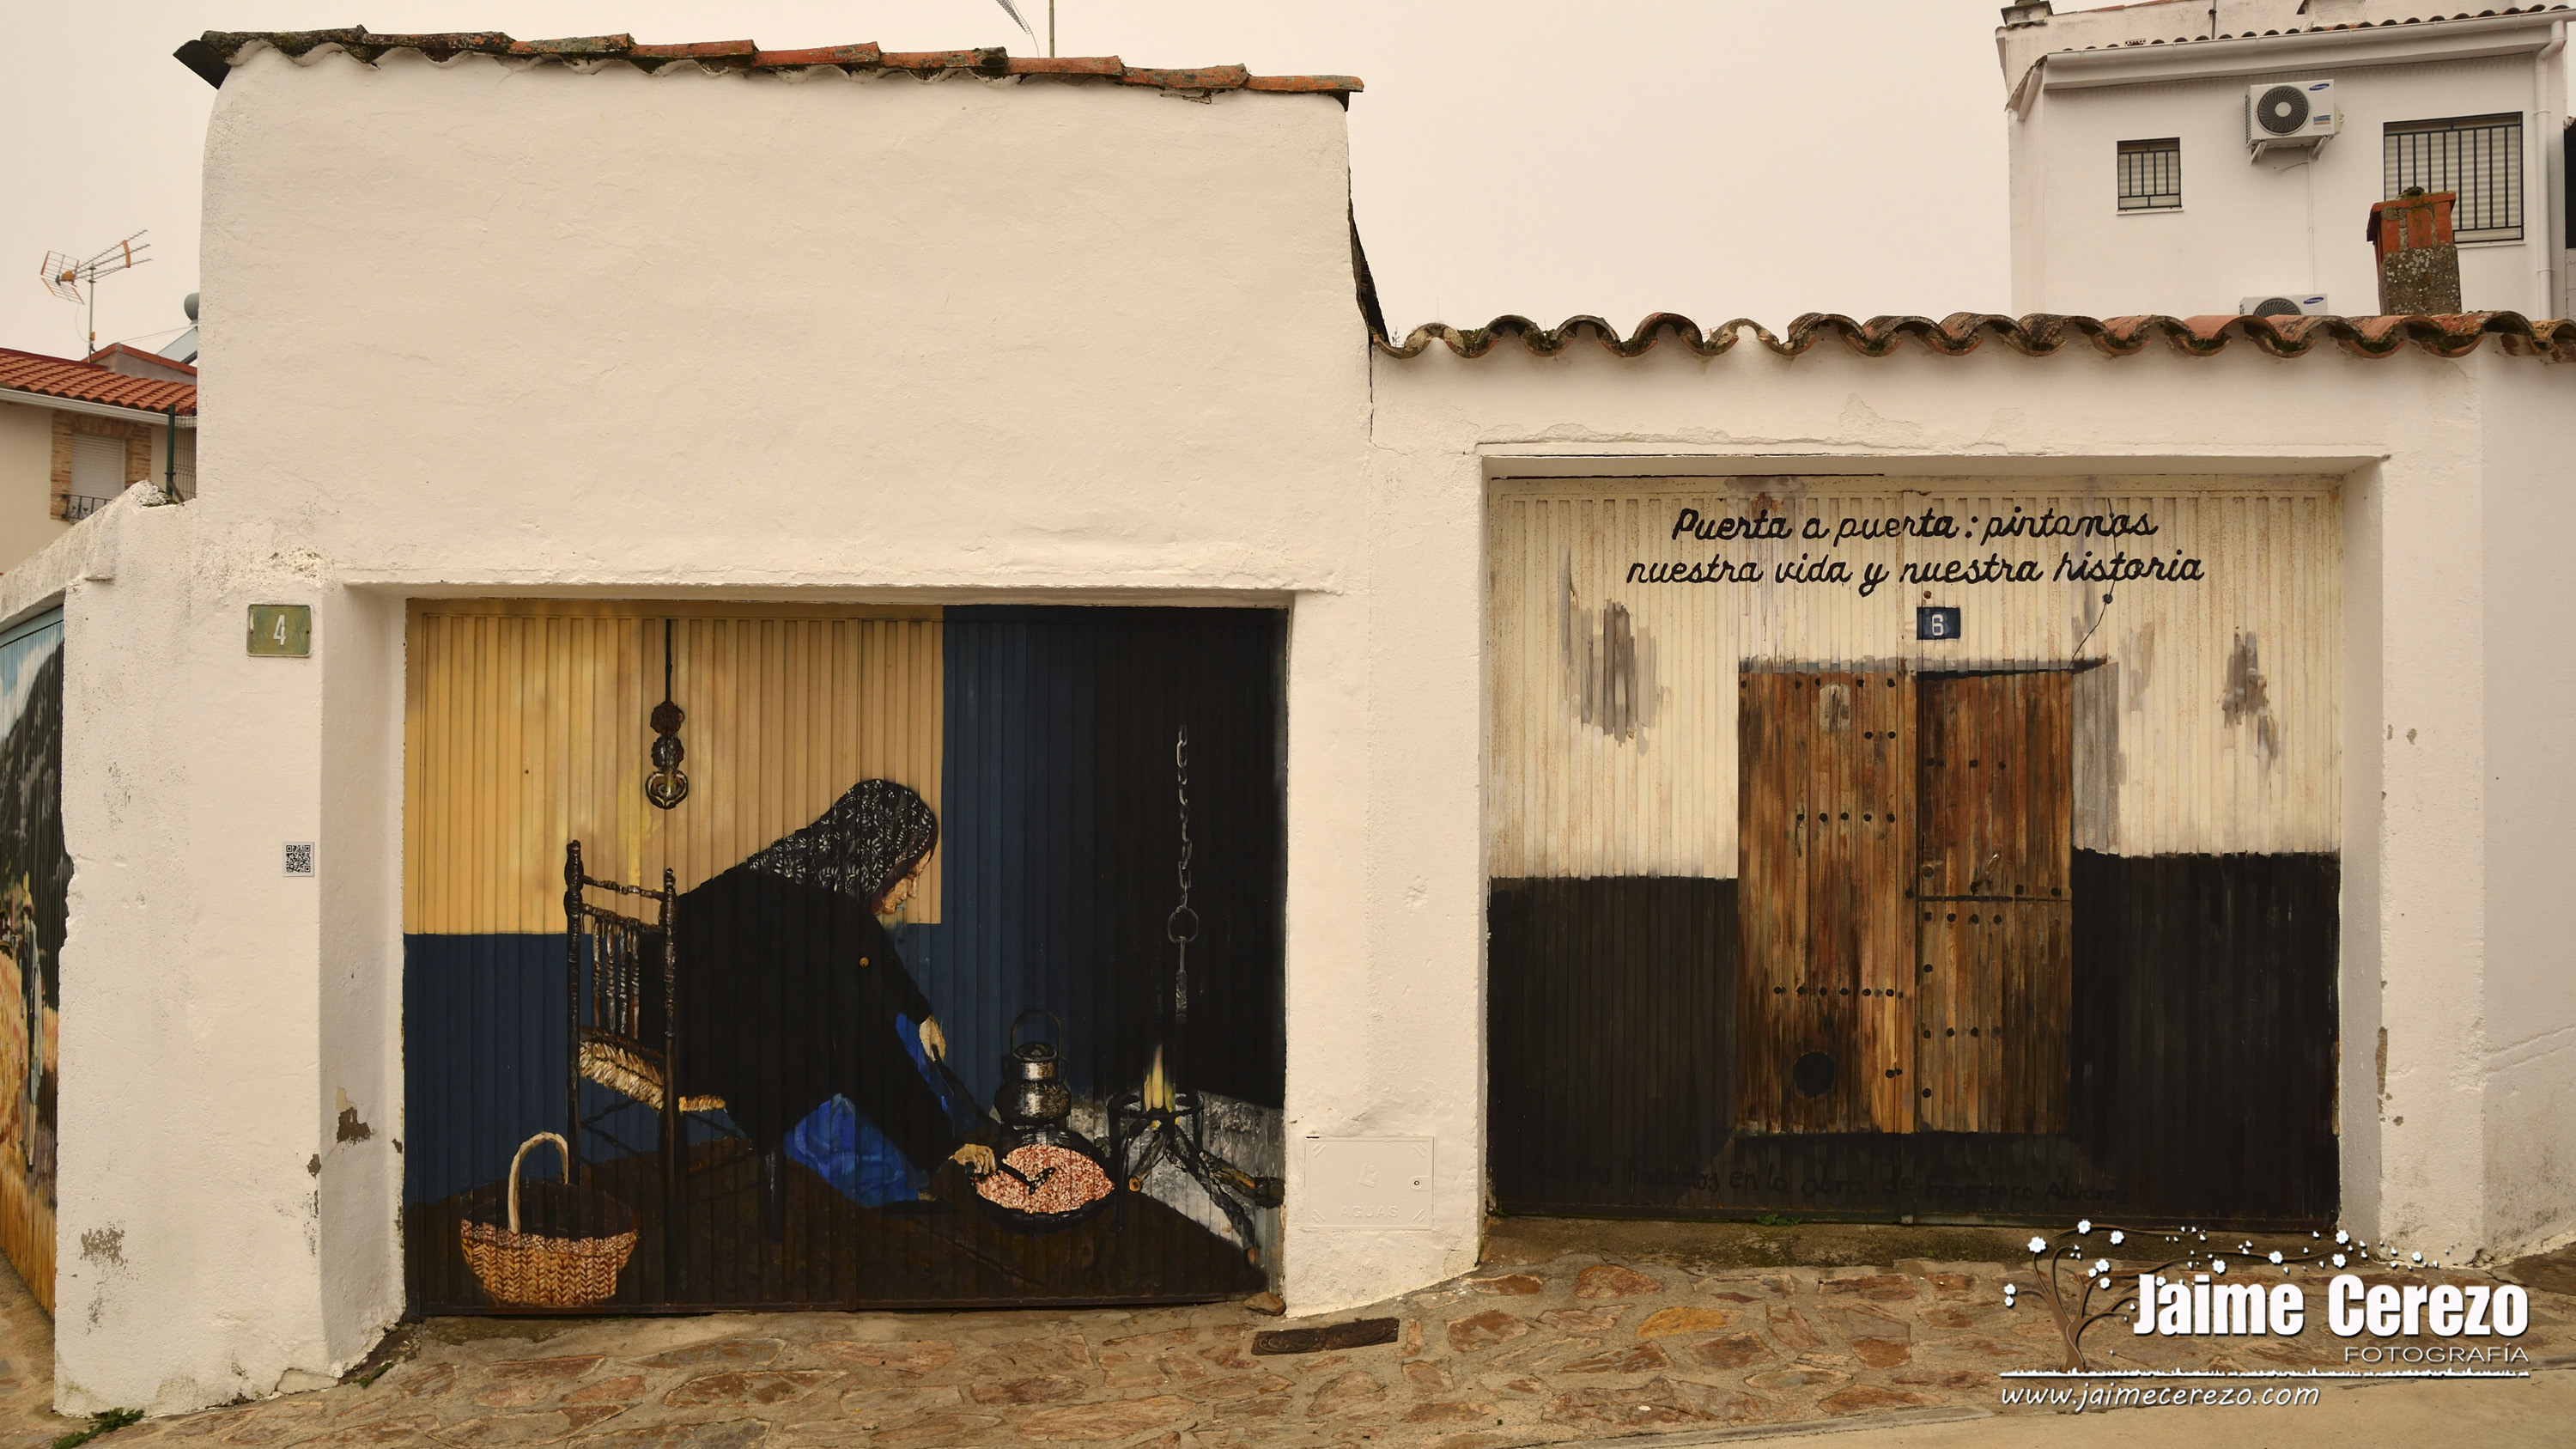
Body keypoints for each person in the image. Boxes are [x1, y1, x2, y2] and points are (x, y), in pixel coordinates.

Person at [658, 781, 990, 1211]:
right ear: (878, 859)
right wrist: (942, 1147)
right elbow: (866, 1044)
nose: (910, 891)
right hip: (719, 1055)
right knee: (867, 1055)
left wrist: (919, 1011)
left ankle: (936, 1153)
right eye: (909, 874)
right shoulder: (830, 921)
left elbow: (871, 950)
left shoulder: (790, 869)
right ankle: (930, 1169)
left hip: (677, 1021)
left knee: (891, 1029)